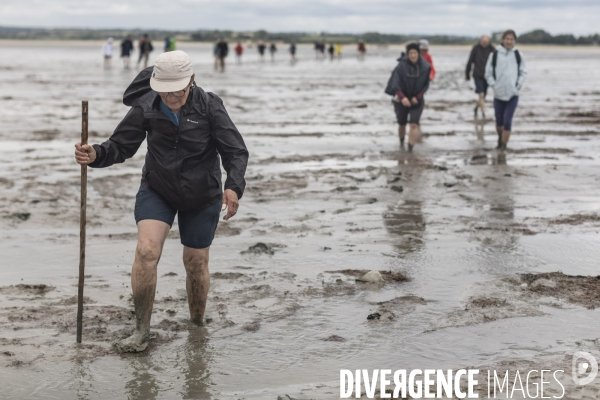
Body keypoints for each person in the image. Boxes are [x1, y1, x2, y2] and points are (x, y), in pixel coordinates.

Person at [74, 50, 249, 353]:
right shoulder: (147, 105)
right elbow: (120, 146)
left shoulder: (210, 106)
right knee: (146, 251)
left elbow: (235, 152)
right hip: (158, 189)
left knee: (195, 262)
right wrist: (96, 155)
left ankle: (196, 325)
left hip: (202, 194)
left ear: (191, 81)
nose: (170, 97)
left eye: (177, 90)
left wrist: (233, 187)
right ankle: (141, 330)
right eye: (164, 90)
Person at [384, 42, 431, 152]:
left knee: (414, 124)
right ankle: (401, 143)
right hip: (401, 99)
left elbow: (425, 85)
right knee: (402, 124)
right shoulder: (401, 66)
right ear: (407, 54)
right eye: (410, 53)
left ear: (418, 53)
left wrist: (417, 97)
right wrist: (403, 97)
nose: (413, 55)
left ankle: (410, 149)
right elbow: (395, 84)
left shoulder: (425, 66)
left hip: (417, 100)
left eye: (415, 53)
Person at [485, 29, 527, 151]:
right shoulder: (495, 54)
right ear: (503, 40)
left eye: (511, 39)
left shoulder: (518, 55)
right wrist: (494, 85)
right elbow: (488, 73)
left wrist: (518, 85)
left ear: (514, 41)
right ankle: (500, 138)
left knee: (507, 121)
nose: (509, 41)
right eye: (507, 39)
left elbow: (523, 72)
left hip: (513, 94)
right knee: (499, 123)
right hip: (498, 95)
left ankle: (503, 146)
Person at [466, 35, 495, 119]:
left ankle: (476, 108)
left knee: (483, 95)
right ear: (481, 41)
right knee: (481, 94)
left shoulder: (492, 49)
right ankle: (483, 113)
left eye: (486, 41)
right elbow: (470, 61)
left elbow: (497, 63)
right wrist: (467, 74)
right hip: (477, 75)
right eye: (483, 41)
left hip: (488, 76)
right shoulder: (476, 48)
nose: (485, 43)